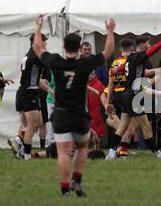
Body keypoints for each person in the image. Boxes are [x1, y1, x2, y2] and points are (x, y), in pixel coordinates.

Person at [33, 14, 116, 196]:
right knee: (81, 148)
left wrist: (38, 28)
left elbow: (38, 48)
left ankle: (64, 190)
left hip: (61, 113)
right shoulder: (85, 63)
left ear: (63, 47)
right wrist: (109, 31)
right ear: (80, 48)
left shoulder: (55, 61)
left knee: (63, 153)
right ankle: (76, 181)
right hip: (79, 114)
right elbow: (108, 51)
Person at [105, 34, 161, 160]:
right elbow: (152, 51)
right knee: (146, 128)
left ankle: (111, 154)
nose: (149, 46)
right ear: (143, 45)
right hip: (133, 97)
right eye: (148, 43)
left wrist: (117, 70)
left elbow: (142, 72)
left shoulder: (131, 58)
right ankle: (158, 154)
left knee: (122, 128)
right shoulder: (138, 55)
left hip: (126, 96)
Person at [9, 33, 52, 160]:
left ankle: (21, 145)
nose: (46, 45)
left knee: (37, 123)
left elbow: (37, 78)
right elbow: (49, 64)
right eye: (44, 42)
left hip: (27, 92)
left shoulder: (29, 55)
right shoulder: (35, 56)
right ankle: (25, 153)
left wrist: (50, 91)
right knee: (32, 125)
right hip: (28, 93)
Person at [87, 71, 106, 144]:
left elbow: (103, 94)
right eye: (89, 74)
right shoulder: (82, 83)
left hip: (96, 111)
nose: (91, 76)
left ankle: (97, 146)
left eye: (92, 74)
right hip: (86, 111)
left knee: (97, 129)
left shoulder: (99, 84)